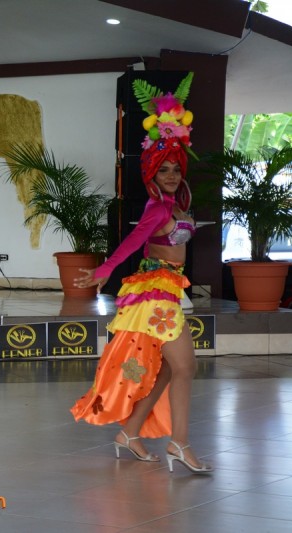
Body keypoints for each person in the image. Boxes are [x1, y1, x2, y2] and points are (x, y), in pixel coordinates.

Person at [70, 73, 212, 474]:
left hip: (167, 289)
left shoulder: (175, 205)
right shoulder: (158, 208)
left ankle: (130, 433)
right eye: (163, 170)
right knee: (186, 366)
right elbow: (133, 242)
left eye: (175, 169)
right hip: (156, 293)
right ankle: (179, 443)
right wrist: (106, 268)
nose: (170, 175)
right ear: (151, 174)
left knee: (168, 368)